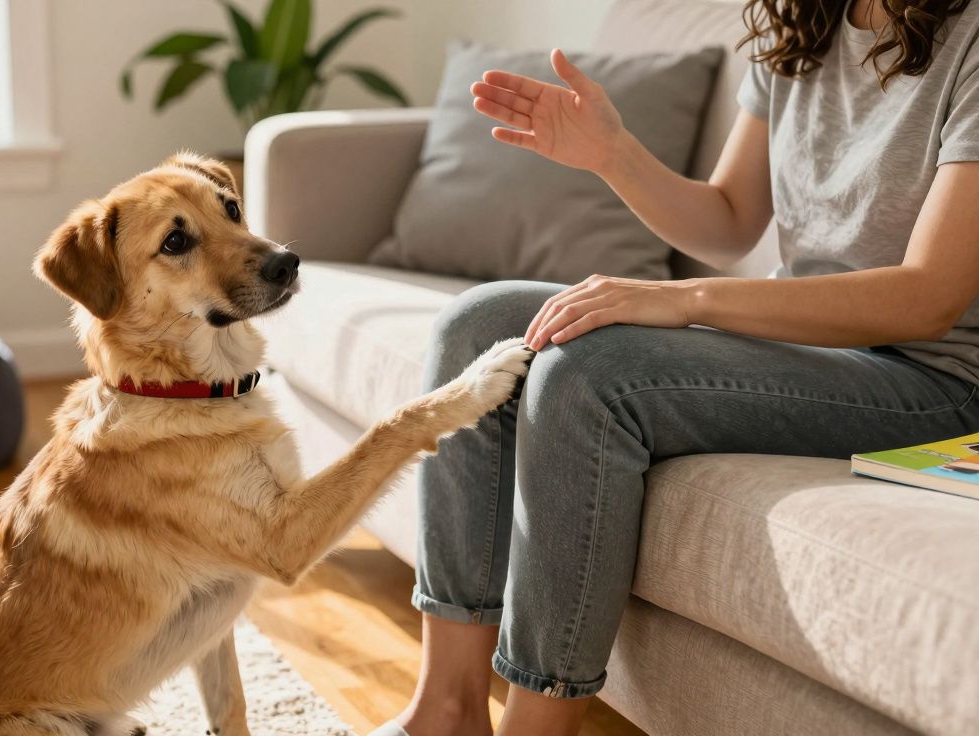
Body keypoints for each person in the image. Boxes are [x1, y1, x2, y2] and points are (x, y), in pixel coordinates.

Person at [374, 1, 979, 734]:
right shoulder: (805, 20)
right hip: (807, 347)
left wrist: (685, 299)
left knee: (590, 374)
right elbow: (728, 219)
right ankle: (445, 710)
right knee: (477, 326)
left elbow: (928, 299)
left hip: (932, 381)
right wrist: (613, 154)